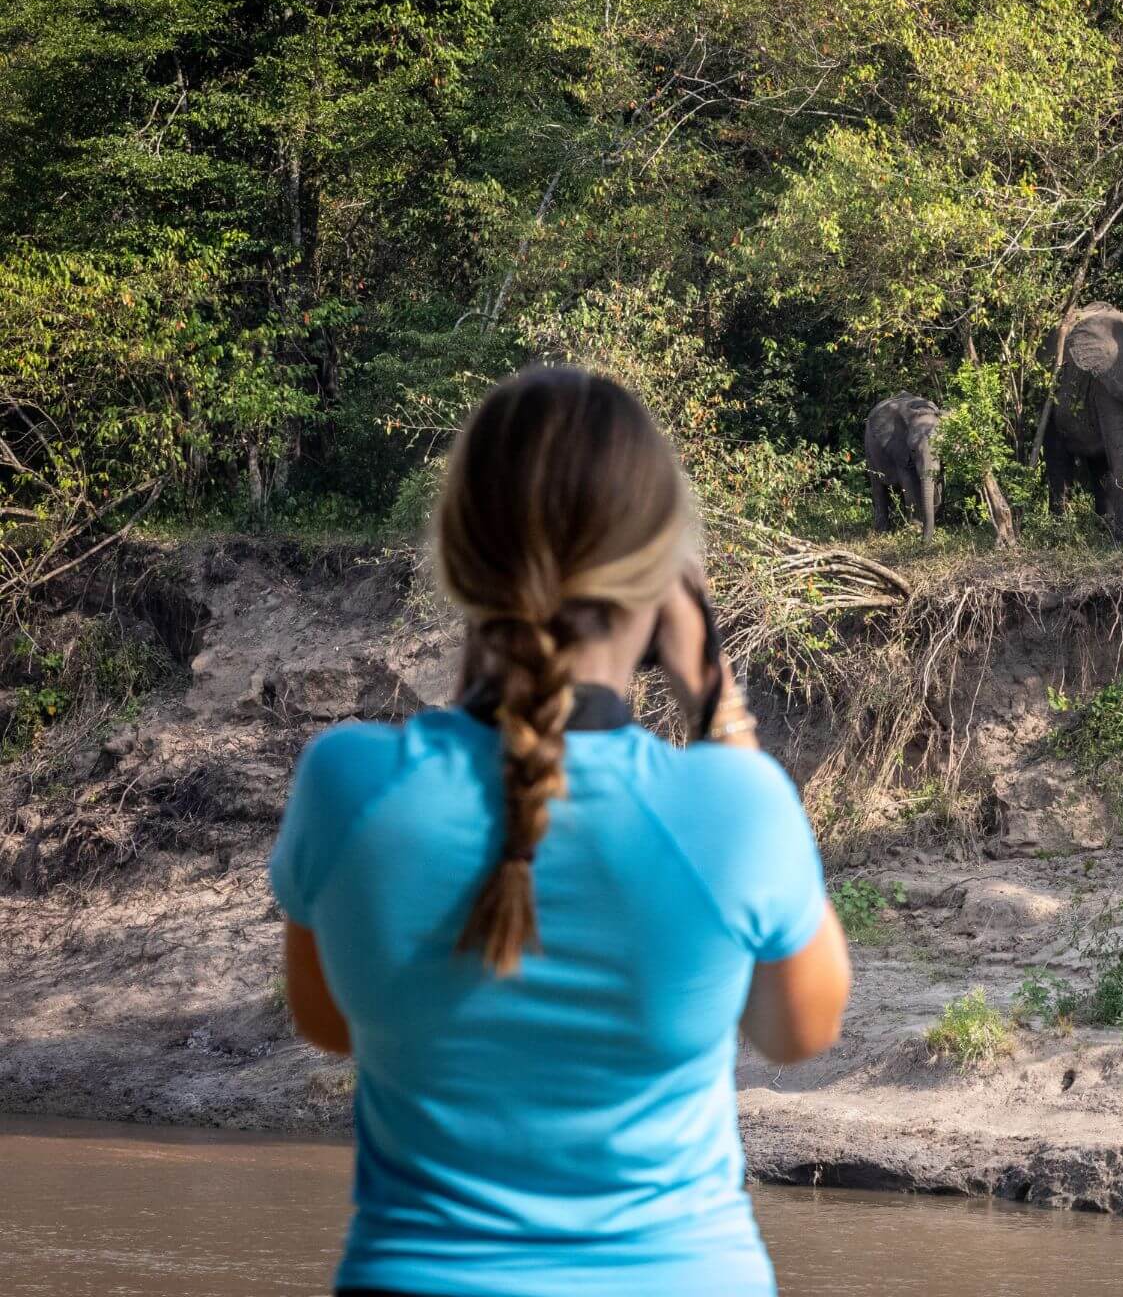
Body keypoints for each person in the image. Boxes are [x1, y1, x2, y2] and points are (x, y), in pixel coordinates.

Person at [271, 364, 851, 1297]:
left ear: (459, 558)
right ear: (666, 589)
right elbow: (800, 1029)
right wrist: (720, 709)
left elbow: (329, 1020)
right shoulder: (734, 805)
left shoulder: (348, 785)